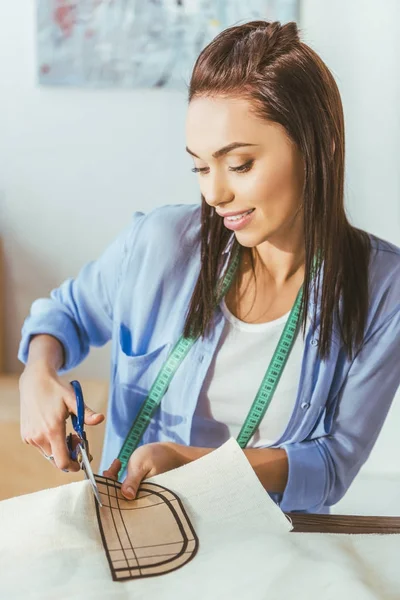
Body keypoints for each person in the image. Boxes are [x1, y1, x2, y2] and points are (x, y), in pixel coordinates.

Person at [19, 20, 400, 515]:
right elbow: (62, 315)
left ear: (318, 144)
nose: (214, 194)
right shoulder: (157, 244)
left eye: (239, 164)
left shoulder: (384, 290)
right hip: (134, 532)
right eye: (200, 167)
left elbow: (332, 465)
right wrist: (37, 377)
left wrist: (194, 462)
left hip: (267, 548)